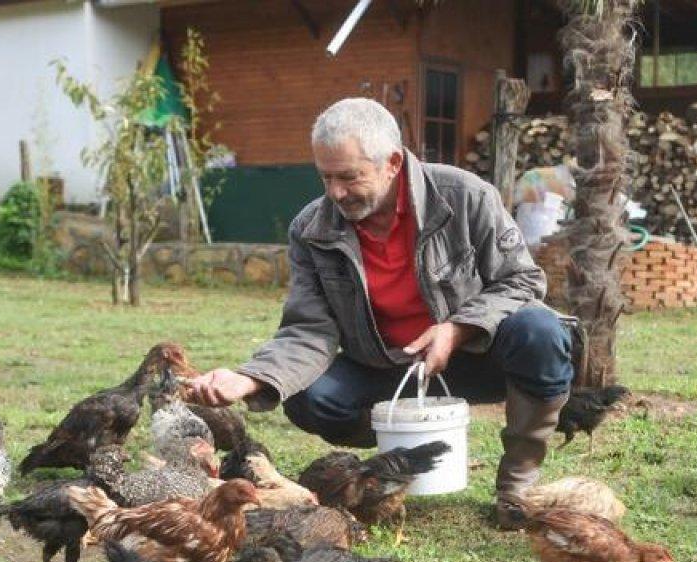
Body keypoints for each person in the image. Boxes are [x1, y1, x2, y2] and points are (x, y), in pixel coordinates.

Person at [186, 98, 573, 527]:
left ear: (392, 163)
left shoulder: (466, 197)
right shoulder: (311, 229)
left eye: (349, 177)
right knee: (310, 397)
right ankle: (395, 460)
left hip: (477, 358)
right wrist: (250, 378)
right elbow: (309, 329)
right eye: (326, 177)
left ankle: (517, 485)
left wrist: (457, 329)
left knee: (539, 329)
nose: (336, 192)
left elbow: (522, 280)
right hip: (386, 370)